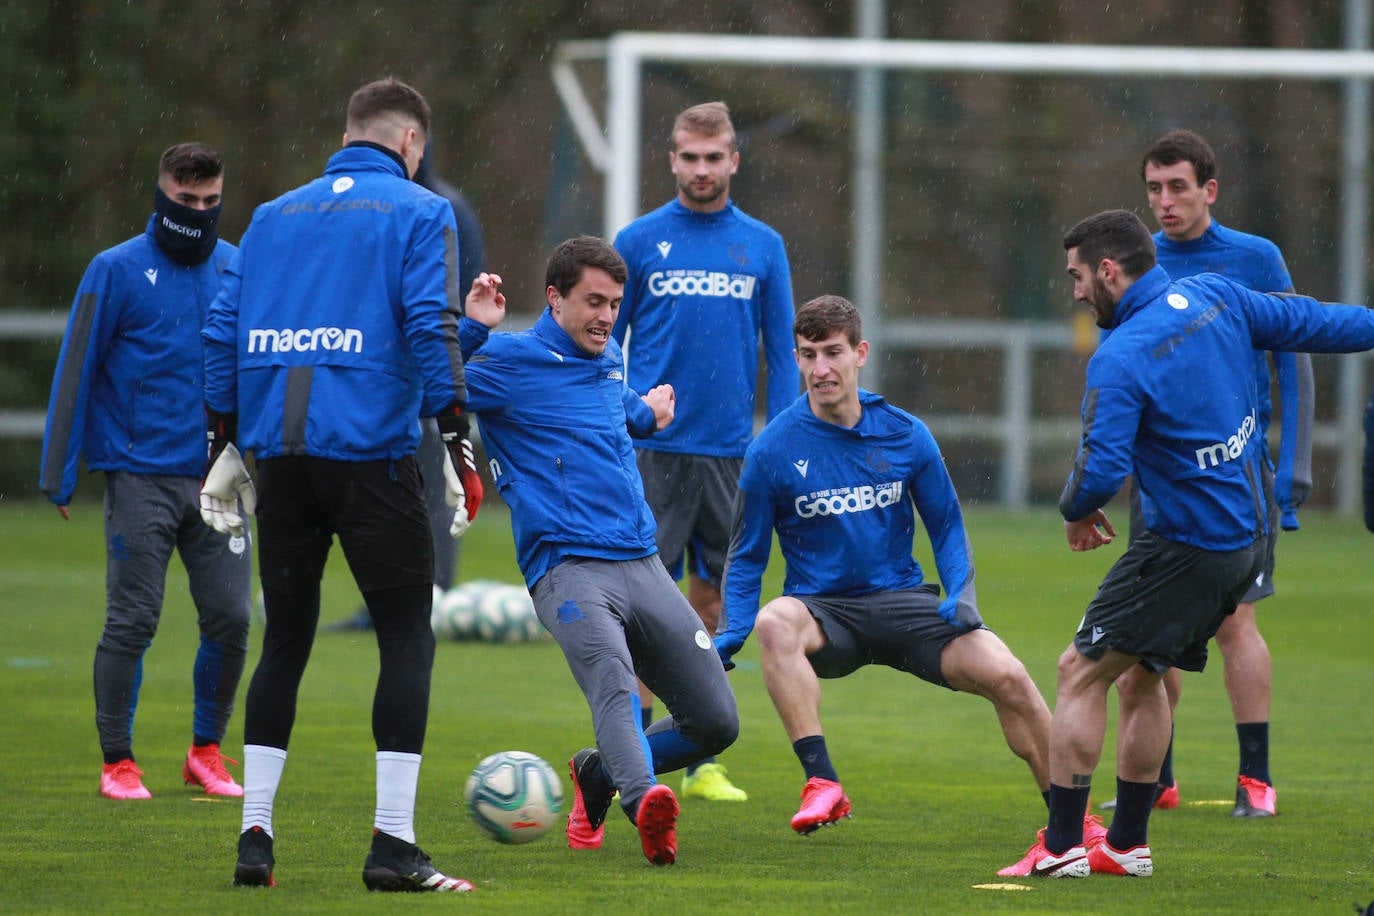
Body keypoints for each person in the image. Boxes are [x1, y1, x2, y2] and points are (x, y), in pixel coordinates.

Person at [1017, 209, 1374, 879]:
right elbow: (1317, 323)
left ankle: (1062, 846)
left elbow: (1099, 470)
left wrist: (1074, 508)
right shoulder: (1215, 294)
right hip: (1247, 539)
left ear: (1110, 271)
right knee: (1144, 676)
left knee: (1078, 671)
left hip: (1184, 545)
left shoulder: (1120, 357)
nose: (1073, 290)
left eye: (1076, 276)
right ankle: (1126, 845)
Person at [200, 78, 485, 892]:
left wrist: (223, 440)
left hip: (280, 460)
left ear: (349, 134)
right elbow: (429, 326)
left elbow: (223, 329)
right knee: (405, 636)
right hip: (372, 457)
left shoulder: (270, 215)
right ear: (409, 144)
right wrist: (459, 439)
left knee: (285, 638)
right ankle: (392, 847)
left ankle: (255, 838)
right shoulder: (422, 211)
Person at [714, 295, 1085, 859]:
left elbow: (948, 528)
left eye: (833, 353)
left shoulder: (906, 434)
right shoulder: (771, 450)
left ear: (860, 353)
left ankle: (1071, 832)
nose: (821, 369)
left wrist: (962, 596)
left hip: (905, 605)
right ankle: (822, 782)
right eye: (809, 355)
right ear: (796, 360)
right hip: (824, 614)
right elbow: (746, 557)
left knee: (1010, 676)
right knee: (774, 621)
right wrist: (730, 633)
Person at [458, 236, 740, 866]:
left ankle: (599, 776)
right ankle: (644, 805)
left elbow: (617, 410)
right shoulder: (506, 364)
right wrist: (471, 329)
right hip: (567, 569)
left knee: (716, 720)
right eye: (593, 302)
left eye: (614, 303)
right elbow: (428, 388)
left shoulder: (608, 355)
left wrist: (651, 414)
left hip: (641, 562)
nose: (607, 317)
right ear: (554, 299)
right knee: (614, 684)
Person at [1099, 128, 1313, 818]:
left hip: (1235, 476)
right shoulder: (1138, 263)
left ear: (1208, 190)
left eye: (1177, 187)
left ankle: (1256, 780)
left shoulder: (1252, 258)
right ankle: (1157, 776)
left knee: (1234, 625)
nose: (1164, 202)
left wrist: (1296, 462)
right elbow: (1120, 378)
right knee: (1149, 636)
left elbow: (1295, 353)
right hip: (1161, 482)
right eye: (1153, 189)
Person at [39, 142, 251, 801]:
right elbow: (77, 368)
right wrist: (59, 471)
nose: (199, 211)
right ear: (162, 194)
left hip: (222, 476)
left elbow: (259, 366)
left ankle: (206, 752)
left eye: (211, 201)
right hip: (139, 474)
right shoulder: (116, 270)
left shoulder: (240, 269)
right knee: (134, 619)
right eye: (187, 200)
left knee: (232, 617)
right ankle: (118, 762)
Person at [611, 101, 798, 803]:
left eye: (712, 157)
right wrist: (629, 415)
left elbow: (782, 353)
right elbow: (604, 342)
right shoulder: (638, 240)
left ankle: (699, 760)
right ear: (671, 160)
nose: (700, 170)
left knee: (715, 603)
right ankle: (632, 753)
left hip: (733, 458)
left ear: (733, 161)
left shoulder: (762, 245)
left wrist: (778, 440)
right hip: (654, 454)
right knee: (639, 613)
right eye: (688, 157)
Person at [326, 147, 486, 631]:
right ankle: (382, 603)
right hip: (378, 385)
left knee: (437, 494)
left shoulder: (446, 209)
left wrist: (454, 381)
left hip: (430, 386)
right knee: (384, 497)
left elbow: (464, 300)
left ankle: (435, 597)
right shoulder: (385, 208)